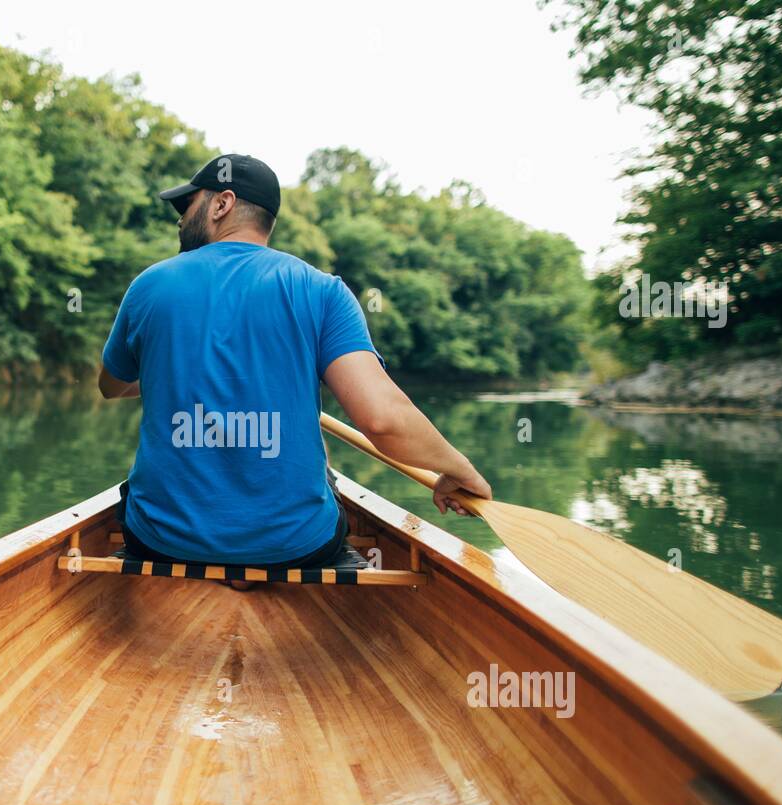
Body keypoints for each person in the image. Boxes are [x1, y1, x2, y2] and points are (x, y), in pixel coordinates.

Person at [98, 153, 492, 584]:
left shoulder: (150, 285)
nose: (180, 219)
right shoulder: (323, 291)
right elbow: (382, 419)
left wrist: (164, 367)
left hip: (161, 540)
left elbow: (112, 386)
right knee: (323, 481)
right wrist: (458, 467)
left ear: (221, 204)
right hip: (295, 547)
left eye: (187, 205)